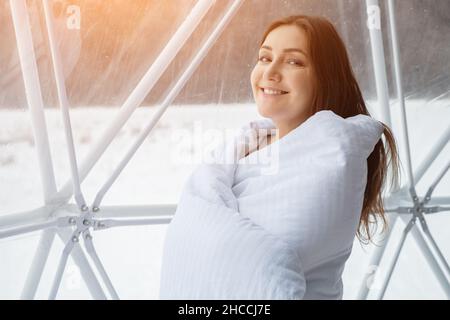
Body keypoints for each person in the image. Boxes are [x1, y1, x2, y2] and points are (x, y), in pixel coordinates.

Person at [249, 15, 400, 245]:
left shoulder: (332, 161)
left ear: (325, 78)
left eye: (294, 62)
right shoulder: (248, 143)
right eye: (265, 57)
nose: (270, 72)